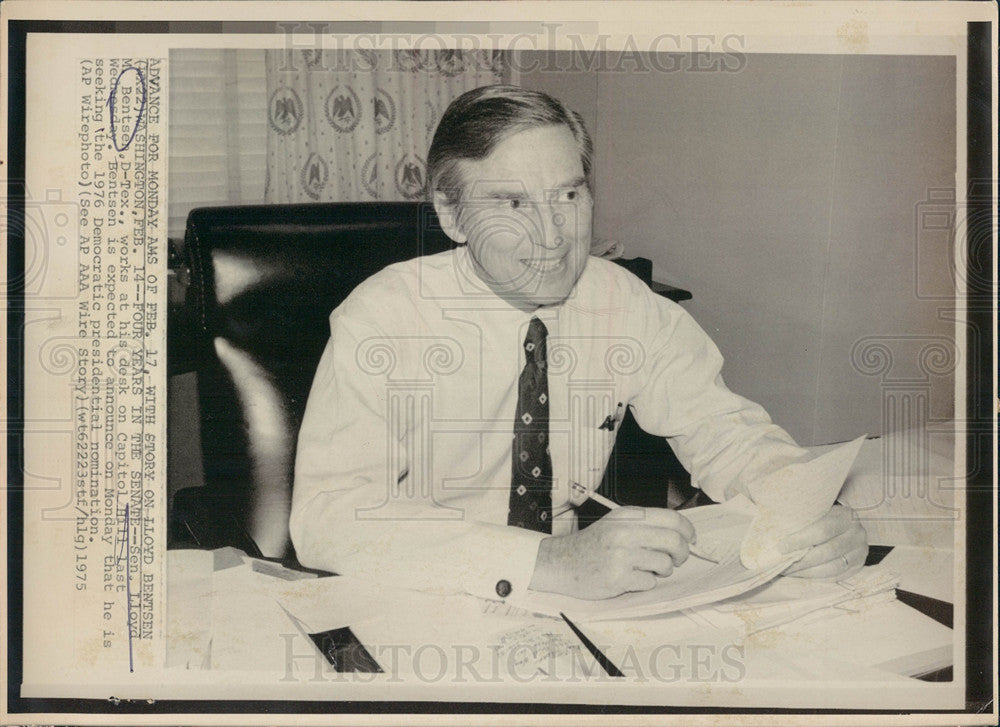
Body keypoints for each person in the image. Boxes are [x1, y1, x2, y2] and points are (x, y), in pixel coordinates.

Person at [291, 85, 867, 602]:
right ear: (452, 215)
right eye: (512, 204)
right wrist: (542, 560)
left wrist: (806, 505)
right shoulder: (385, 319)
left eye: (568, 196)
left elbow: (726, 433)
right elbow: (329, 518)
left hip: (580, 603)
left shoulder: (622, 302)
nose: (552, 237)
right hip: (422, 593)